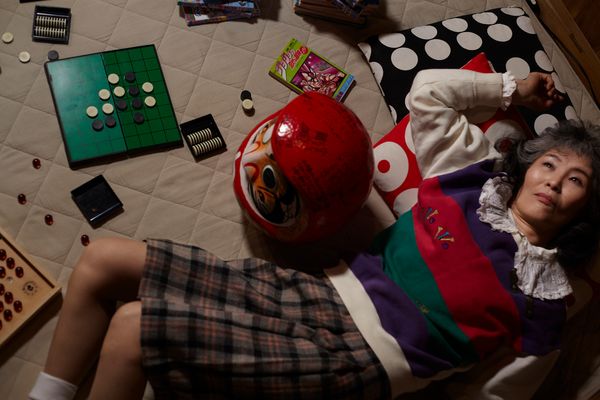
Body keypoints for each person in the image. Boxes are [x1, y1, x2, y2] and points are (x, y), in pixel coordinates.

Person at [28, 69, 600, 400]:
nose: (554, 180)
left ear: (585, 209)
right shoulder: (472, 177)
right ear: (527, 165)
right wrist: (512, 90)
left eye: (575, 180)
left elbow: (494, 395)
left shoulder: (548, 299)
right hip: (315, 291)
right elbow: (428, 92)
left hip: (363, 361)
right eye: (549, 163)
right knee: (103, 258)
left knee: (132, 328)